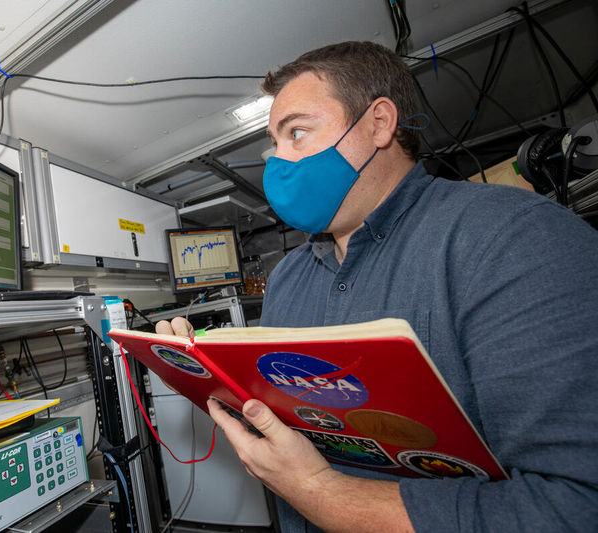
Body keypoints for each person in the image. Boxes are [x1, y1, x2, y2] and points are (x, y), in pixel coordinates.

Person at [156, 41, 598, 532]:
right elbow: (292, 423)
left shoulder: (512, 238)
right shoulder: (287, 278)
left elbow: (574, 505)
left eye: (296, 132)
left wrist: (321, 494)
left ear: (379, 123)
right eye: (273, 145)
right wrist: (212, 383)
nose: (276, 164)